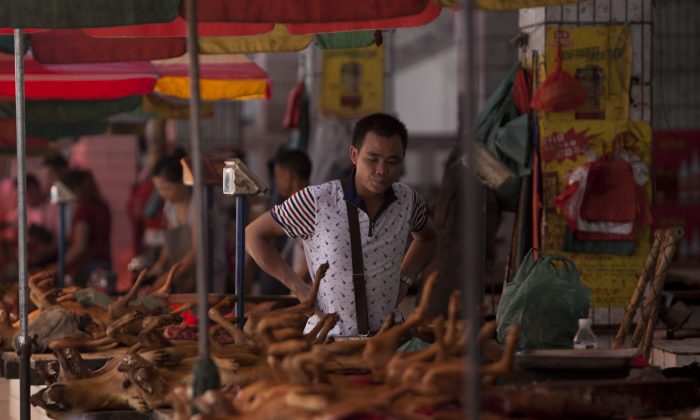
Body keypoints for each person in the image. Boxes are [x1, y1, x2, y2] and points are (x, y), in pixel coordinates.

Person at [246, 113, 437, 337]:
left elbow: (428, 238)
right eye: (372, 159)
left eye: (392, 161)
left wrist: (404, 279)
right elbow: (254, 234)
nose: (382, 170)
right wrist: (299, 288)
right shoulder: (318, 200)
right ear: (354, 155)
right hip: (328, 343)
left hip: (388, 341)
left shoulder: (408, 201)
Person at [148, 153, 227, 294]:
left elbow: (197, 252)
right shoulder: (170, 205)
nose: (162, 194)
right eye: (158, 189)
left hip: (208, 275)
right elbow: (170, 241)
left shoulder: (199, 204)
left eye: (166, 188)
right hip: (184, 275)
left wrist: (167, 278)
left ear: (182, 182)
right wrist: (160, 265)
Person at [258, 149, 312, 295]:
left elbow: (309, 259)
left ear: (289, 176)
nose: (277, 182)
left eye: (278, 176)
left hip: (306, 291)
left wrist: (295, 288)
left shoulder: (305, 204)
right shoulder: (303, 202)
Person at [59, 169, 112, 287]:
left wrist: (59, 266)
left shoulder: (83, 211)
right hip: (104, 265)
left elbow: (79, 247)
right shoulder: (102, 207)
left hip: (86, 269)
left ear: (74, 190)